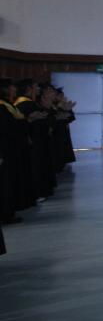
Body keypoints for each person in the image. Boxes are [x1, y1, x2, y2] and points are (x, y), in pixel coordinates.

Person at [15, 79, 56, 202]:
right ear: (29, 88)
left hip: (39, 139)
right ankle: (37, 192)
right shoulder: (25, 104)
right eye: (36, 87)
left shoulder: (30, 103)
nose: (38, 89)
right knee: (36, 166)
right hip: (34, 140)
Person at [0, 77, 31, 223]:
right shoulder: (2, 106)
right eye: (11, 87)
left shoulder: (8, 104)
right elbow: (8, 128)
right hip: (6, 150)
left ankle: (10, 210)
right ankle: (5, 213)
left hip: (13, 149)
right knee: (5, 182)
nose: (14, 89)